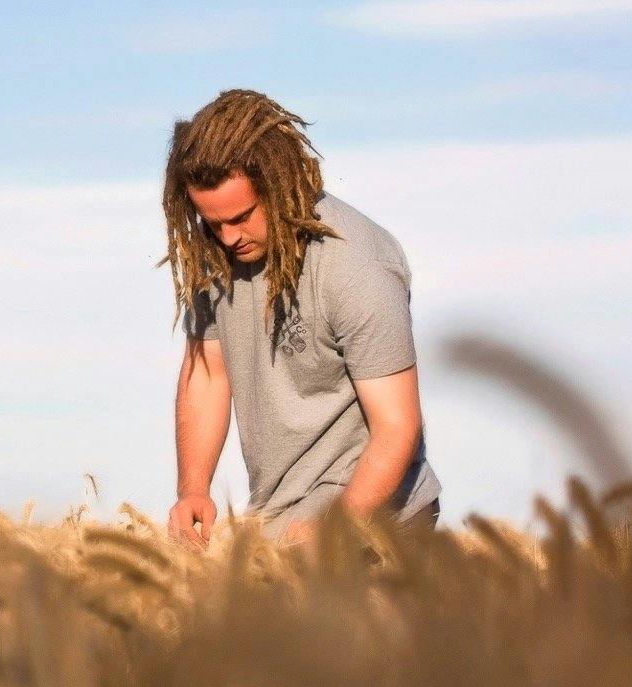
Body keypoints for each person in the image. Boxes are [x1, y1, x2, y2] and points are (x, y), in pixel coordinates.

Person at [161, 89, 439, 544]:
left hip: (380, 529)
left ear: (279, 183)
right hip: (279, 524)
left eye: (242, 216)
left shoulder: (356, 267)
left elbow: (397, 427)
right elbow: (208, 373)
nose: (228, 237)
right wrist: (193, 488)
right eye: (213, 222)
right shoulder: (212, 255)